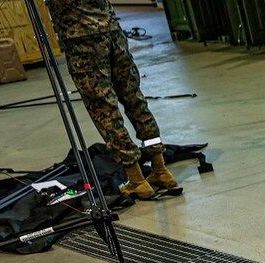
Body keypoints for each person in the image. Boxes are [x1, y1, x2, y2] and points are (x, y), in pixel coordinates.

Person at [45, 0, 176, 200]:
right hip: (113, 32)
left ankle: (137, 180)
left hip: (82, 40)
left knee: (104, 109)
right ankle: (160, 168)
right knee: (134, 99)